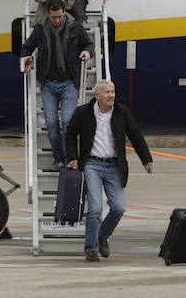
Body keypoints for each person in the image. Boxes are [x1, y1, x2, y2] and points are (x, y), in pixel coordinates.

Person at [66, 80, 153, 262]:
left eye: (113, 92)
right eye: (107, 92)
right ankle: (90, 248)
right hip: (92, 165)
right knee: (95, 208)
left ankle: (102, 235)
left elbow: (136, 135)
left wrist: (146, 159)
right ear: (97, 95)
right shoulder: (83, 112)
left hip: (115, 166)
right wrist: (73, 157)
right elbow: (71, 133)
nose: (111, 95)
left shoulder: (122, 112)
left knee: (119, 207)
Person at [20, 0, 94, 169]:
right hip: (49, 84)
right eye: (54, 17)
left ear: (64, 12)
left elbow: (89, 44)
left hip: (69, 82)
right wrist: (26, 62)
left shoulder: (75, 27)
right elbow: (27, 47)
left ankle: (70, 158)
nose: (57, 20)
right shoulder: (40, 29)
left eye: (60, 16)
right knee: (52, 123)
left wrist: (87, 52)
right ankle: (58, 157)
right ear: (48, 14)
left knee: (68, 122)